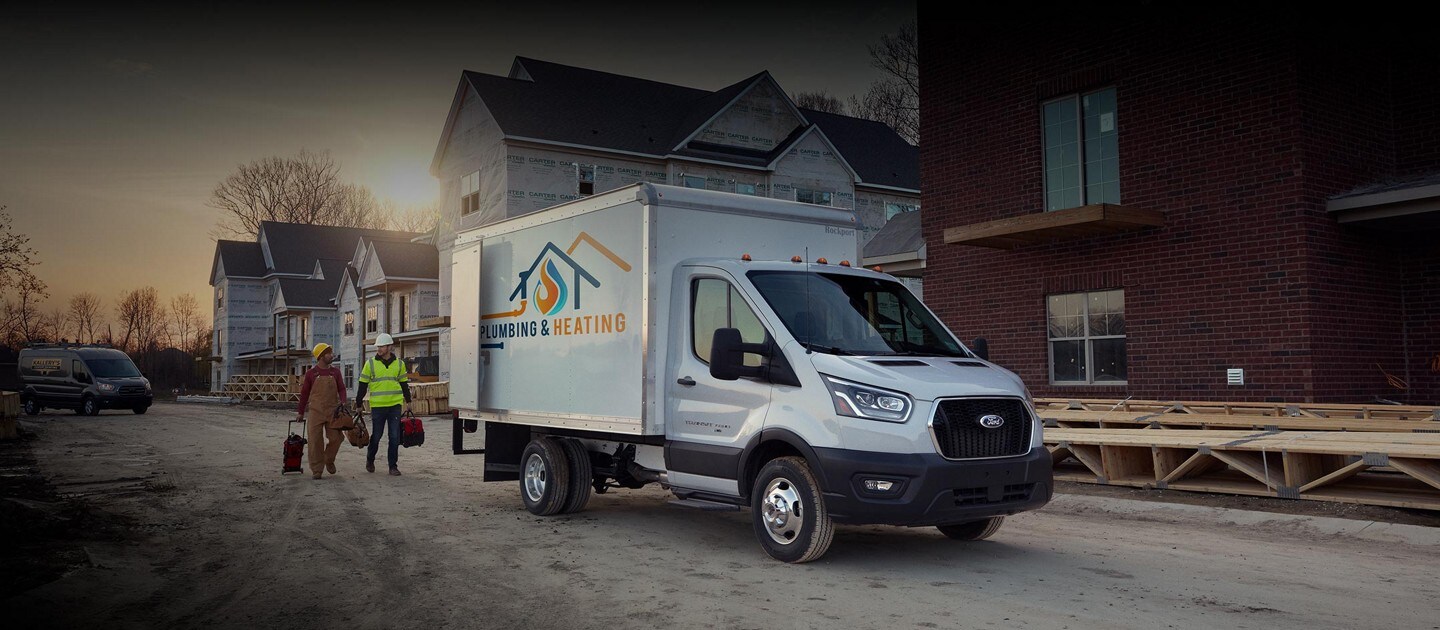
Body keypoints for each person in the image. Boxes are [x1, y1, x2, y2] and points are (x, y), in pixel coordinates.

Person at [356, 333, 411, 476]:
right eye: (378, 346)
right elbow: (362, 384)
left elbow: (404, 384)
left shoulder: (399, 364)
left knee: (394, 436)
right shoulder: (370, 363)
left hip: (395, 405)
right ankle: (370, 459)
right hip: (378, 406)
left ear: (389, 347)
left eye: (382, 346)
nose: (379, 349)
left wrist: (409, 401)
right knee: (377, 435)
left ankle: (393, 466)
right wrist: (358, 403)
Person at [296, 343, 348, 480]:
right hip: (315, 411)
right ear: (321, 356)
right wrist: (300, 412)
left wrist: (343, 401)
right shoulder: (311, 374)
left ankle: (329, 460)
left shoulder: (335, 372)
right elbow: (305, 394)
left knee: (337, 438)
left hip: (333, 411)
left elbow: (342, 388)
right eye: (329, 353)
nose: (332, 355)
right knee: (314, 441)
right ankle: (317, 470)